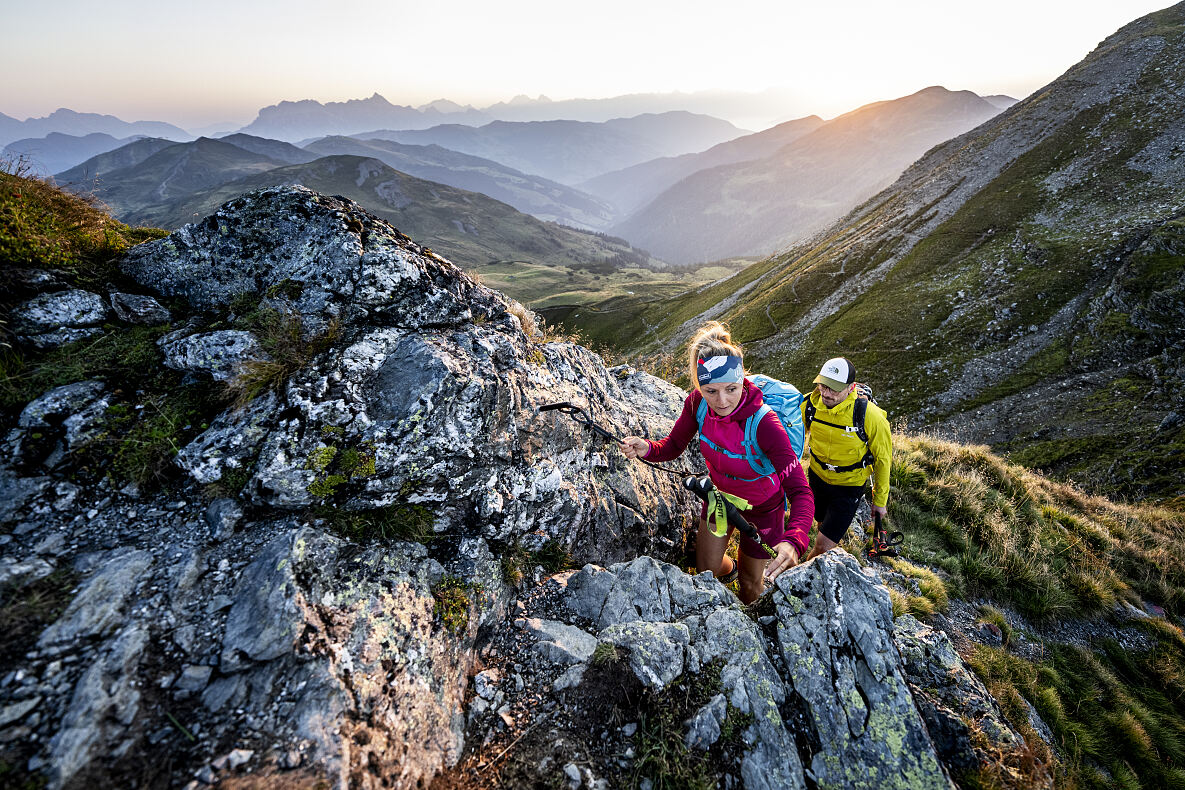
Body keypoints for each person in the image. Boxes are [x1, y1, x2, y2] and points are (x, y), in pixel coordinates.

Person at [618, 322, 813, 604]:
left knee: (750, 587)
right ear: (699, 386)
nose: (722, 401)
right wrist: (646, 447)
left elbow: (800, 492)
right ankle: (730, 569)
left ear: (743, 380)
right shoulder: (697, 404)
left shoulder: (766, 425)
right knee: (706, 571)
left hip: (764, 512)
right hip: (719, 499)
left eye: (731, 389)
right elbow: (673, 445)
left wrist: (794, 540)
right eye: (711, 391)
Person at [800, 357, 892, 561]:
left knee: (823, 547)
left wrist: (880, 501)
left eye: (833, 389)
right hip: (816, 477)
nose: (826, 393)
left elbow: (883, 459)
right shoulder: (809, 405)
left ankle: (795, 579)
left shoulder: (870, 416)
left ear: (851, 388)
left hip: (849, 487)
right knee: (821, 523)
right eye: (823, 385)